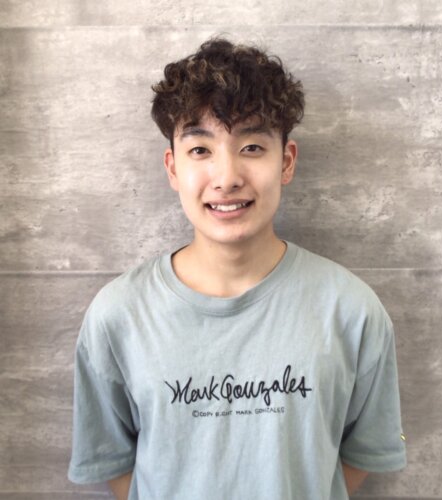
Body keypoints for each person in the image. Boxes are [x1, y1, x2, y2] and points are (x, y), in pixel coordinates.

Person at [68, 37, 406, 500]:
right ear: (172, 168)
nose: (226, 178)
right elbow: (114, 461)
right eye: (200, 150)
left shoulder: (352, 310)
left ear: (286, 162)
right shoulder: (117, 316)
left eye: (251, 146)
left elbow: (363, 453)